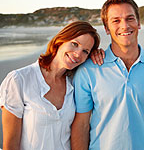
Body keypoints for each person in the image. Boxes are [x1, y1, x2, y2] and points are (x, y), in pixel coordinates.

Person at [71, 0, 144, 150]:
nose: (125, 26)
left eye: (130, 18)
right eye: (116, 21)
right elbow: (81, 124)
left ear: (139, 23)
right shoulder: (89, 69)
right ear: (106, 28)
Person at [0, 21, 100, 150]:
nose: (77, 54)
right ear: (60, 40)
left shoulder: (75, 83)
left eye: (85, 51)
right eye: (74, 44)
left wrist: (98, 55)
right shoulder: (19, 80)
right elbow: (11, 145)